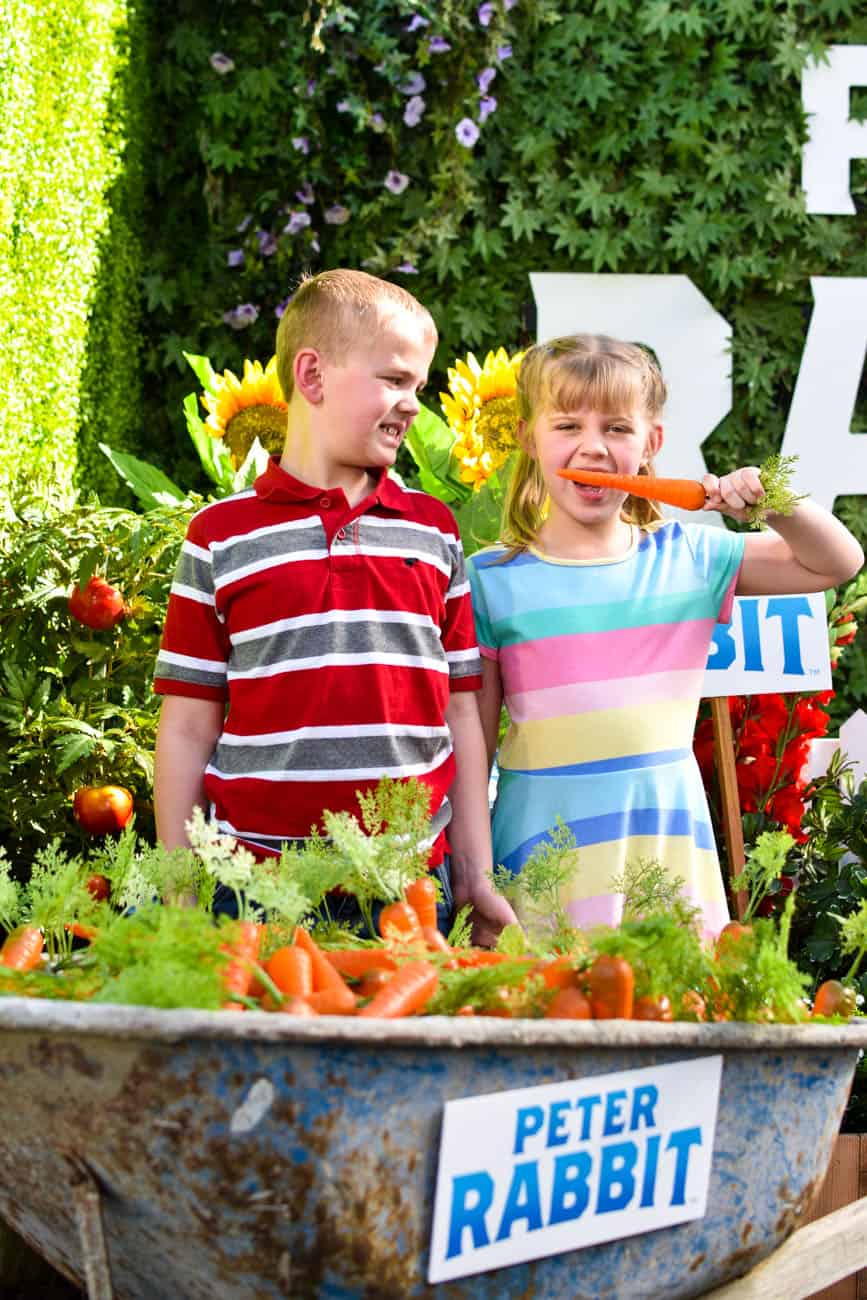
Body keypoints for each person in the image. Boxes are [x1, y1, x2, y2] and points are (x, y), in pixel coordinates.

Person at [153, 268, 515, 943]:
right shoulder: (220, 537)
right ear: (312, 377)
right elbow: (185, 726)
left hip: (404, 884)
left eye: (419, 386)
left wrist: (475, 875)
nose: (413, 404)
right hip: (254, 885)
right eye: (395, 380)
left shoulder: (432, 531)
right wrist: (179, 892)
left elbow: (461, 707)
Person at [467, 333, 864, 936]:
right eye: (568, 425)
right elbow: (475, 739)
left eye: (618, 429)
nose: (593, 447)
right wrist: (476, 871)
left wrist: (769, 500)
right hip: (540, 850)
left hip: (665, 847)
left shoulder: (690, 557)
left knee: (672, 1012)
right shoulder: (492, 578)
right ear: (528, 438)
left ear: (652, 443)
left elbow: (837, 562)